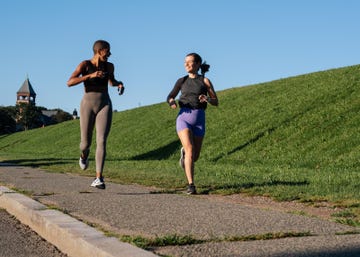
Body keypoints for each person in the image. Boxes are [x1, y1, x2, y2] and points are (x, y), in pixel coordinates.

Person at [67, 40, 124, 189]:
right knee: (85, 143)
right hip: (87, 104)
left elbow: (111, 81)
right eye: (107, 51)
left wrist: (119, 84)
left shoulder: (109, 66)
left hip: (104, 103)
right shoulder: (85, 65)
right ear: (99, 51)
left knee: (102, 140)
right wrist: (89, 76)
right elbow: (70, 82)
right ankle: (84, 155)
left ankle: (99, 177)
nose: (110, 54)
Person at [166, 53, 218, 194]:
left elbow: (216, 101)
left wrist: (207, 98)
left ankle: (184, 155)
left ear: (197, 64)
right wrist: (172, 102)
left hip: (199, 120)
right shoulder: (181, 81)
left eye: (190, 62)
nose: (187, 65)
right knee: (190, 149)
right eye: (185, 62)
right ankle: (191, 185)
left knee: (195, 156)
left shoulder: (205, 81)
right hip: (183, 118)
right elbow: (170, 96)